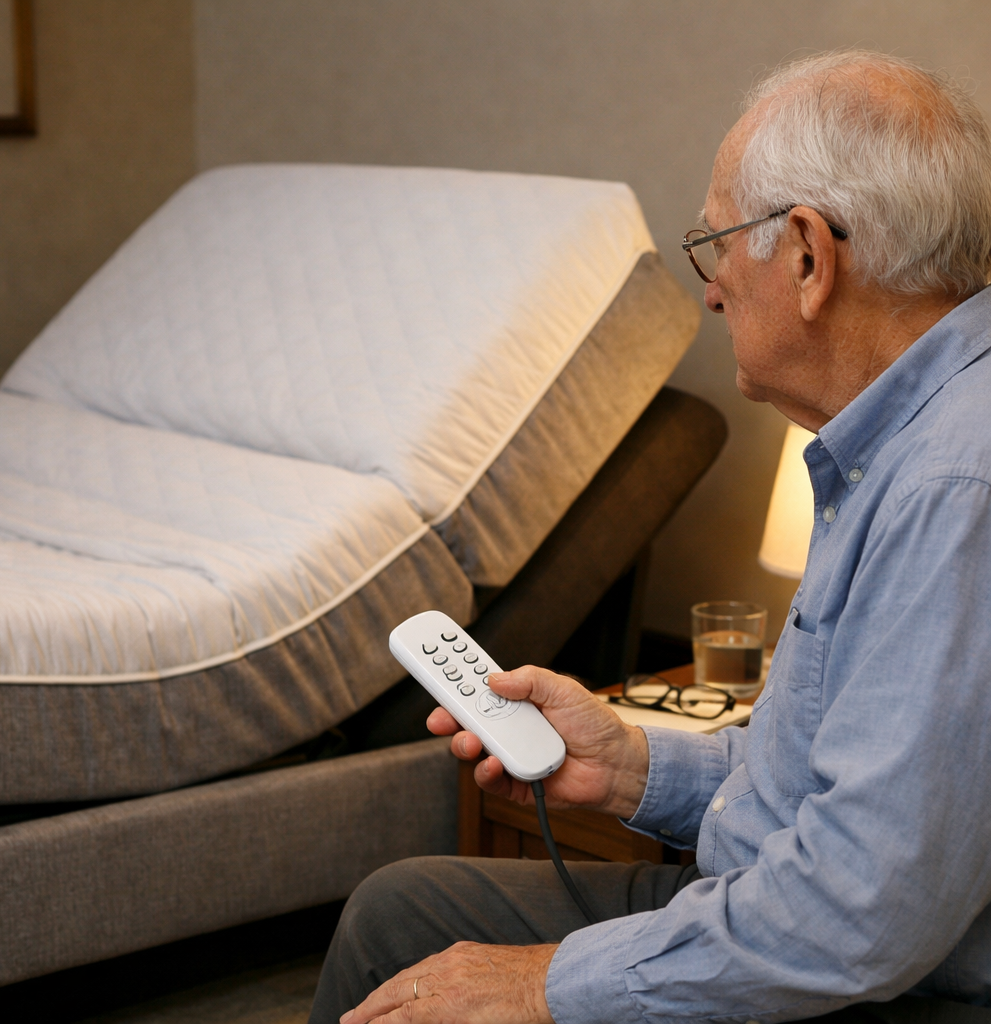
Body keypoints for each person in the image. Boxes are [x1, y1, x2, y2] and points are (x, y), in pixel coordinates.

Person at [308, 50, 991, 1024]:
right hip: (807, 909)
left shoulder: (955, 485)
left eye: (715, 247)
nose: (710, 292)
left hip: (893, 975)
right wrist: (628, 759)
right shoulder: (896, 441)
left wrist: (540, 986)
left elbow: (861, 909)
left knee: (448, 963)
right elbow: (830, 786)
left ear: (806, 255)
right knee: (403, 910)